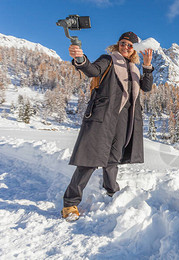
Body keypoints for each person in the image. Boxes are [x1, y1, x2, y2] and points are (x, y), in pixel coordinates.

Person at [61, 31, 154, 220]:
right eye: (122, 43)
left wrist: (146, 66)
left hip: (124, 120)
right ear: (117, 44)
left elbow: (146, 87)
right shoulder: (109, 60)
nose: (125, 47)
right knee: (89, 161)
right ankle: (70, 204)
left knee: (113, 158)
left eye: (129, 45)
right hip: (103, 117)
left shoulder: (134, 68)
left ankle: (111, 190)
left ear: (134, 49)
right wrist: (80, 59)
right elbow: (93, 70)